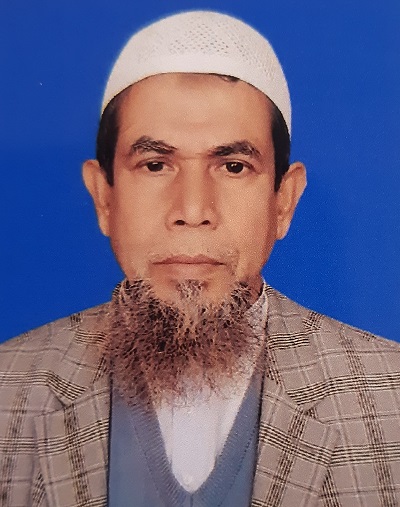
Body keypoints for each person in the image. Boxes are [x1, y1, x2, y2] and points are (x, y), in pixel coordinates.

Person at [0, 10, 399, 507]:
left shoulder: (390, 397)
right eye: (155, 164)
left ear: (283, 202)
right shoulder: (9, 389)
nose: (192, 210)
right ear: (104, 197)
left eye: (233, 166)